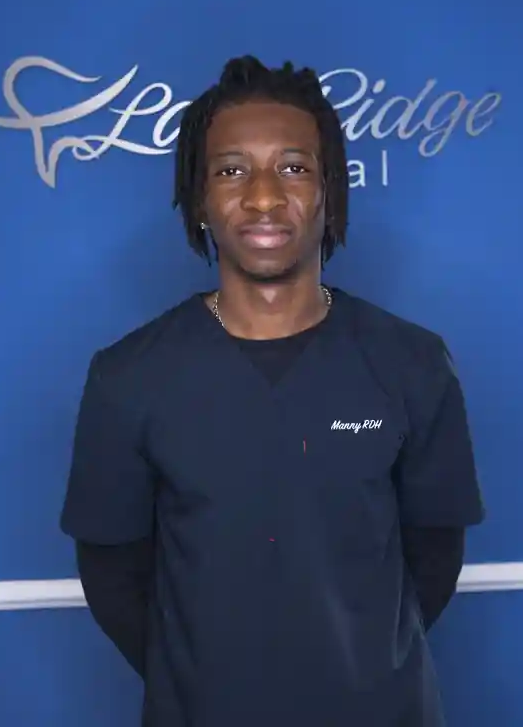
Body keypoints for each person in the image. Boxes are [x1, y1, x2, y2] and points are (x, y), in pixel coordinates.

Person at [60, 56, 485, 726]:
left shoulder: (412, 363)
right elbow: (113, 577)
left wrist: (360, 668)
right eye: (231, 171)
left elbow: (434, 557)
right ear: (199, 198)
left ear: (330, 191)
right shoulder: (128, 377)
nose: (263, 197)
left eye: (293, 167)